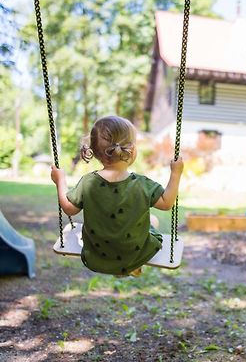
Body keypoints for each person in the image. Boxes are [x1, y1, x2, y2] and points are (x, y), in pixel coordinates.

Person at [50, 115, 183, 277]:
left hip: (97, 256)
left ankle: (121, 266)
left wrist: (60, 181)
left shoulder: (88, 183)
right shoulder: (142, 184)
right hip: (135, 253)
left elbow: (69, 209)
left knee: (147, 221)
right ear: (132, 150)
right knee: (153, 220)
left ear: (96, 152)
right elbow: (167, 203)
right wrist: (176, 174)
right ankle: (129, 266)